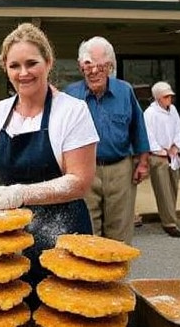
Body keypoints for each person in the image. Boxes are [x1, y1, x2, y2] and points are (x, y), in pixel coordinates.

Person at [0, 22, 99, 292]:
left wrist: (19, 194)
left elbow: (79, 181)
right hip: (5, 242)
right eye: (14, 65)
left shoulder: (72, 112)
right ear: (5, 67)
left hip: (62, 238)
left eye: (32, 63)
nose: (23, 73)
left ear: (48, 62)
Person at [64, 36, 150, 245]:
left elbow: (138, 127)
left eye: (101, 66)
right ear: (80, 66)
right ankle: (91, 278)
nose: (94, 71)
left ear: (110, 66)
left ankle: (117, 277)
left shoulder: (125, 91)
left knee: (120, 232)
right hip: (84, 170)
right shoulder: (70, 96)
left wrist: (143, 162)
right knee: (87, 232)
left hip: (121, 169)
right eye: (88, 65)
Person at [143, 81, 180, 238]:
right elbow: (149, 135)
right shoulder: (149, 113)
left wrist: (176, 146)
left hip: (172, 153)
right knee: (163, 189)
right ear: (158, 98)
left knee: (173, 186)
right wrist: (161, 151)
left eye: (170, 96)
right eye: (166, 96)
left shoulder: (172, 110)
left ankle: (171, 216)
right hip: (158, 155)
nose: (170, 99)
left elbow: (178, 129)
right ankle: (169, 223)